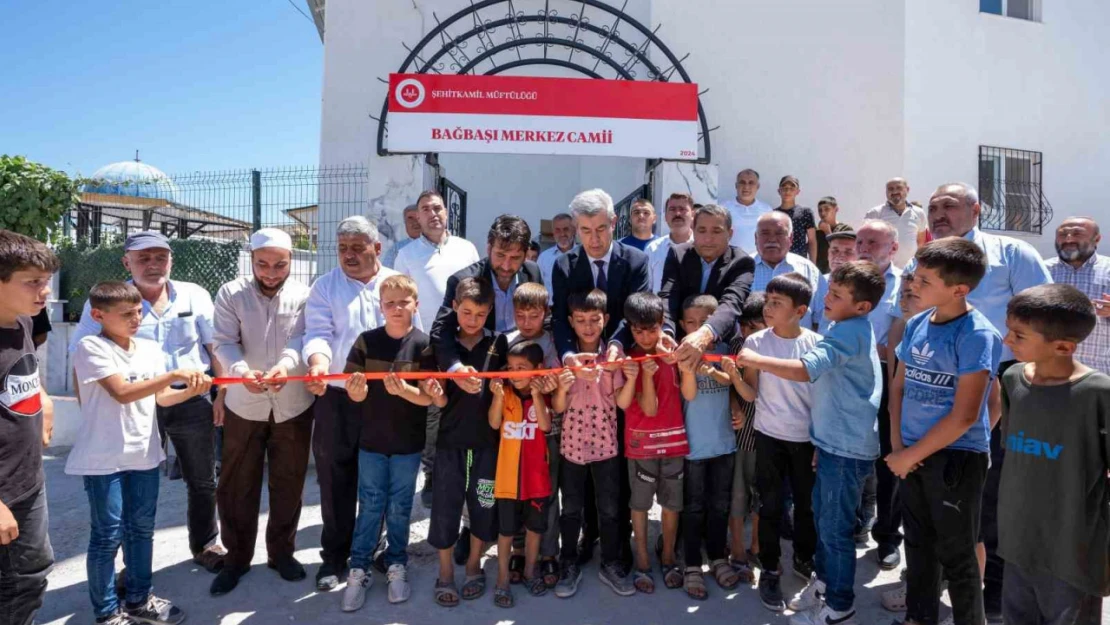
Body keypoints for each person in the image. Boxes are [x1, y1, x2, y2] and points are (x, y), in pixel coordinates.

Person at [892, 182, 1052, 621]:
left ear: (976, 210)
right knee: (925, 532)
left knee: (988, 500)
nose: (940, 212)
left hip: (992, 380)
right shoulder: (924, 279)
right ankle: (924, 601)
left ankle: (992, 590)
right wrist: (902, 447)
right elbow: (901, 323)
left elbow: (1043, 314)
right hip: (928, 396)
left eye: (951, 205)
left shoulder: (1011, 255)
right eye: (934, 206)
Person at [737, 261, 887, 625]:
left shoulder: (837, 335)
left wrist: (757, 360)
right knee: (798, 513)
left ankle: (837, 607)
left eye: (836, 294)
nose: (827, 298)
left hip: (835, 445)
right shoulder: (843, 329)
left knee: (829, 529)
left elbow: (807, 371)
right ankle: (811, 585)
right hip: (814, 441)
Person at [69, 231, 227, 573]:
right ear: (127, 262)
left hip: (191, 399)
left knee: (202, 479)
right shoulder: (109, 302)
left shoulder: (195, 295)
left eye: (160, 257)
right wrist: (90, 413)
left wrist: (222, 395)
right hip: (135, 404)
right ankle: (133, 563)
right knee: (134, 481)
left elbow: (215, 348)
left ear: (171, 260)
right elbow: (78, 355)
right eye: (143, 258)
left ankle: (206, 544)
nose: (153, 265)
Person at [69, 281, 212, 625]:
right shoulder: (90, 347)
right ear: (97, 315)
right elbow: (122, 392)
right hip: (103, 460)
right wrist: (173, 374)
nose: (136, 319)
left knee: (141, 530)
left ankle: (139, 599)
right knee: (106, 536)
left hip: (144, 455)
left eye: (137, 312)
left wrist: (191, 389)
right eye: (126, 314)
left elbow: (159, 399)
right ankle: (106, 613)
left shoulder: (148, 348)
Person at [887, 237, 1002, 625]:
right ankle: (919, 618)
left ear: (959, 289)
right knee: (918, 547)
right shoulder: (917, 323)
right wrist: (898, 447)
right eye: (914, 277)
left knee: (958, 555)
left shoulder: (977, 335)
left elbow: (968, 414)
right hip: (910, 456)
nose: (913, 286)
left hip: (955, 460)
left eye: (924, 281)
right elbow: (898, 388)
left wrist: (910, 456)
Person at [302, 216, 411, 591]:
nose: (348, 255)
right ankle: (334, 557)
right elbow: (316, 333)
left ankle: (373, 548)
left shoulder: (395, 285)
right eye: (343, 247)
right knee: (335, 477)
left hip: (384, 400)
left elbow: (412, 333)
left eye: (357, 247)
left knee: (377, 479)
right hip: (336, 398)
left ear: (376, 249)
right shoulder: (324, 287)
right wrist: (317, 363)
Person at [209, 229, 315, 595]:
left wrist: (287, 364)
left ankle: (281, 553)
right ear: (251, 259)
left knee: (289, 481)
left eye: (280, 264)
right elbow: (223, 341)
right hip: (244, 402)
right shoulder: (230, 293)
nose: (271, 272)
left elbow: (304, 337)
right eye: (263, 264)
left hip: (293, 403)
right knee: (238, 483)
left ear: (291, 261)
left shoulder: (305, 294)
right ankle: (236, 558)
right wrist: (239, 373)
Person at [998, 284, 1109, 624]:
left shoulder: (1098, 394)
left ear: (1063, 346)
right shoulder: (1013, 378)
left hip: (1071, 551)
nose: (1007, 340)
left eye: (1019, 335)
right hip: (1017, 542)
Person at [551, 189, 650, 570]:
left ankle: (615, 542)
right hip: (580, 376)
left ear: (614, 224)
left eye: (601, 228)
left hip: (620, 370)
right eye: (586, 230)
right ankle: (583, 538)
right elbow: (560, 317)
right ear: (576, 230)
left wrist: (616, 345)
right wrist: (568, 354)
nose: (594, 238)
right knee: (580, 469)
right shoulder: (564, 265)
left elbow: (634, 309)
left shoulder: (636, 260)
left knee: (615, 463)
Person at [340, 274, 445, 611]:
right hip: (371, 442)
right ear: (380, 307)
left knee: (400, 506)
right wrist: (355, 392)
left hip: (408, 445)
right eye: (390, 303)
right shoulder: (366, 342)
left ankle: (397, 563)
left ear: (416, 304)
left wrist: (406, 390)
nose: (397, 308)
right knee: (370, 504)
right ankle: (358, 567)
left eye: (404, 302)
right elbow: (352, 389)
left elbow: (429, 399)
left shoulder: (425, 345)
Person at [427, 214, 541, 523]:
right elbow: (440, 332)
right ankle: (469, 526)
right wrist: (455, 368)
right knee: (476, 465)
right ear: (488, 247)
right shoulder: (463, 279)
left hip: (517, 381)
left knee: (512, 458)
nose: (506, 265)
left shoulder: (533, 272)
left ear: (527, 254)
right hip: (475, 385)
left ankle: (506, 525)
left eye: (515, 257)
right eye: (500, 255)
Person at [727, 273, 820, 612]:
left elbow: (821, 399)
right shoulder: (755, 343)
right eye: (767, 301)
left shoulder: (815, 344)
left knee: (807, 506)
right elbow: (751, 394)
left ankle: (804, 559)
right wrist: (735, 378)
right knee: (769, 505)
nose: (768, 308)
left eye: (777, 303)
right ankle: (769, 566)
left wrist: (821, 443)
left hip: (807, 440)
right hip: (768, 437)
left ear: (800, 310)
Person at [426, 277, 507, 608]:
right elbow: (440, 399)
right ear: (455, 308)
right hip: (450, 442)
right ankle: (445, 572)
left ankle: (474, 564)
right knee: (445, 506)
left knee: (483, 505)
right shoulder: (445, 346)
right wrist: (436, 393)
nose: (472, 320)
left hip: (488, 443)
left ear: (489, 312)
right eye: (466, 312)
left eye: (480, 313)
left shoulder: (499, 343)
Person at [551, 289, 626, 599]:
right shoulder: (561, 358)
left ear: (605, 319)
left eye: (594, 319)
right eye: (580, 320)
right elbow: (557, 407)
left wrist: (631, 377)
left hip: (606, 446)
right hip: (571, 448)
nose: (588, 326)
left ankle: (611, 562)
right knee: (570, 509)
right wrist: (563, 384)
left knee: (609, 508)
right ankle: (567, 562)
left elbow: (622, 402)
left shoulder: (613, 357)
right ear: (571, 321)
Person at [0, 230, 58, 625]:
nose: (45, 292)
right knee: (15, 586)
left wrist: (43, 395)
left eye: (47, 281)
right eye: (33, 282)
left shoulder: (21, 322)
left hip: (27, 481)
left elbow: (25, 364)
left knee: (31, 577)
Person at [615, 292, 688, 597]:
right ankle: (643, 558)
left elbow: (689, 393)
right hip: (640, 445)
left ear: (663, 324)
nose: (645, 336)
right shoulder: (627, 359)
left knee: (672, 505)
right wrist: (641, 377)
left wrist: (678, 364)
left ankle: (668, 555)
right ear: (629, 328)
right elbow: (642, 407)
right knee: (640, 505)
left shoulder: (674, 354)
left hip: (673, 442)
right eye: (637, 330)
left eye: (652, 328)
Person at [847, 220, 905, 567]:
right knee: (848, 455)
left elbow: (902, 337)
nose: (864, 246)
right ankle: (853, 524)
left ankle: (887, 537)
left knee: (888, 460)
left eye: (873, 241)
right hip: (845, 378)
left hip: (888, 379)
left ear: (893, 249)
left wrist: (879, 351)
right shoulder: (840, 280)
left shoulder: (907, 283)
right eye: (860, 240)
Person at [679, 295, 739, 599]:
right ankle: (691, 564)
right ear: (682, 326)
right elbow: (688, 395)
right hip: (694, 448)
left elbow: (733, 383)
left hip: (724, 444)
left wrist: (714, 372)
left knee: (720, 505)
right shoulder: (683, 357)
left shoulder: (727, 351)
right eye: (691, 322)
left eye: (705, 322)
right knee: (693, 507)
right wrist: (692, 368)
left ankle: (717, 557)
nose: (697, 327)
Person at [502, 283, 561, 588]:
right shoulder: (507, 340)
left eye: (534, 315)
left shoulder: (552, 343)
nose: (527, 322)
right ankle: (520, 551)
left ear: (545, 313)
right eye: (521, 315)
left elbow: (559, 379)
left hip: (547, 428)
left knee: (545, 495)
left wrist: (552, 385)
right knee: (516, 491)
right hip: (515, 431)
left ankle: (549, 553)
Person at [488, 341, 555, 608]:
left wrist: (538, 396)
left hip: (536, 478)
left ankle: (529, 570)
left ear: (537, 369)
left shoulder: (545, 393)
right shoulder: (505, 392)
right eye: (511, 367)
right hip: (506, 479)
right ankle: (502, 578)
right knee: (505, 532)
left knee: (534, 529)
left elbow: (546, 425)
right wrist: (496, 396)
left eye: (522, 368)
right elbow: (494, 423)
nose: (515, 374)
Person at [655, 203, 755, 372]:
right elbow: (668, 296)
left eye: (716, 231)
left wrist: (705, 333)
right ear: (693, 231)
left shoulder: (742, 262)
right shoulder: (678, 254)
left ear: (730, 234)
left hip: (721, 350)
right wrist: (667, 332)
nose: (708, 239)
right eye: (701, 231)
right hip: (679, 347)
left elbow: (732, 302)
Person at [393, 190, 480, 334]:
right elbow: (400, 300)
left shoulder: (467, 248)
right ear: (418, 217)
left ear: (446, 213)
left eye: (437, 208)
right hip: (426, 340)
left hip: (465, 338)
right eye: (426, 209)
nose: (433, 214)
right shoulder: (406, 255)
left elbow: (479, 292)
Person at [726, 292, 767, 582]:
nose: (748, 333)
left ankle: (757, 546)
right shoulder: (737, 347)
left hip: (771, 434)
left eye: (756, 327)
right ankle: (737, 548)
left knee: (762, 495)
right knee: (738, 493)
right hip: (743, 434)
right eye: (745, 326)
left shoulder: (778, 348)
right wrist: (733, 405)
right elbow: (731, 387)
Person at [1046, 217, 1110, 374]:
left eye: (1077, 233)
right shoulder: (1041, 271)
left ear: (1097, 239)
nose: (1069, 239)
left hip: (1101, 373)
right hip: (1049, 373)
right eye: (1063, 234)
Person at [751, 212, 822, 328]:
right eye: (765, 233)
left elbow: (822, 317)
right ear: (755, 238)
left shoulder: (808, 270)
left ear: (791, 238)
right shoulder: (742, 268)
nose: (772, 239)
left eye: (779, 233)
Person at [865, 178, 927, 268]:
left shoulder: (919, 213)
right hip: (882, 270)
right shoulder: (875, 213)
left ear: (907, 190)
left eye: (899, 188)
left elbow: (920, 241)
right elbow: (865, 241)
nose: (894, 192)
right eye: (890, 189)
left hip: (908, 271)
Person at [645, 193, 695, 293]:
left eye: (682, 209)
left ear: (693, 215)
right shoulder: (653, 249)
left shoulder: (702, 246)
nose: (677, 214)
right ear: (665, 216)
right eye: (672, 209)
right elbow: (647, 290)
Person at [811, 231, 859, 335]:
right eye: (835, 250)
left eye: (848, 252)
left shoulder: (863, 288)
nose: (840, 256)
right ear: (828, 254)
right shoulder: (816, 283)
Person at [721, 169, 773, 254]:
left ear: (758, 186)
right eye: (742, 182)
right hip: (731, 261)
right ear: (736, 185)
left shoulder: (766, 210)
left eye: (751, 183)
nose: (746, 187)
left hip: (758, 261)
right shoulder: (723, 208)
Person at [774, 176, 817, 263]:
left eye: (792, 188)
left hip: (800, 261)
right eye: (784, 188)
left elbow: (812, 240)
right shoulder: (773, 214)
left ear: (797, 192)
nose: (788, 191)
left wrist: (813, 264)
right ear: (779, 191)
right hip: (778, 261)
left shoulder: (805, 213)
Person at [537, 213, 576, 303]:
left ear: (574, 230)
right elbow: (538, 287)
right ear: (553, 232)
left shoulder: (584, 254)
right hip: (551, 311)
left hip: (578, 313)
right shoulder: (544, 258)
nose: (562, 234)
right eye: (557, 230)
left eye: (566, 229)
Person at [815, 197, 853, 274]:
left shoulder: (845, 229)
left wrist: (827, 232)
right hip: (820, 273)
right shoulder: (817, 232)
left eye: (826, 209)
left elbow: (841, 249)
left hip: (840, 272)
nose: (823, 213)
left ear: (836, 209)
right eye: (820, 210)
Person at [381, 203, 421, 268]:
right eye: (410, 218)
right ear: (405, 222)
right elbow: (386, 273)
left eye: (418, 218)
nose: (415, 222)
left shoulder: (433, 244)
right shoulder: (396, 249)